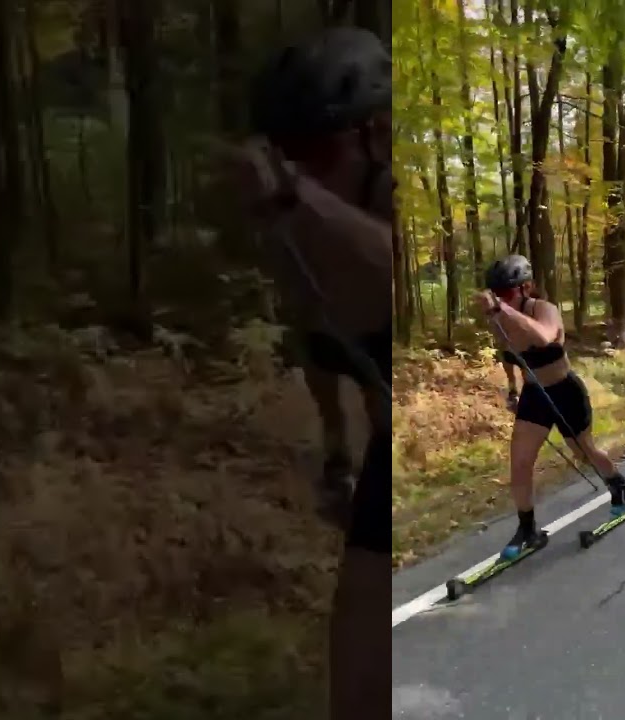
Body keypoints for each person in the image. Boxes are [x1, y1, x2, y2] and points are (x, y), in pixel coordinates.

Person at [234, 26, 392, 720]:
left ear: (375, 135)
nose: (307, 172)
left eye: (321, 154)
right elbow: (319, 328)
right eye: (291, 155)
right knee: (355, 660)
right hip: (364, 382)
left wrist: (301, 194)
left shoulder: (384, 188)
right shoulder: (301, 211)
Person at [474, 255, 625, 560]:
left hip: (565, 390)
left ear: (526, 287)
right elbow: (508, 355)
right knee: (520, 462)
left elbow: (543, 336)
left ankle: (617, 483)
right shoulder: (500, 318)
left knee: (584, 452)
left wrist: (502, 309)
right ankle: (527, 528)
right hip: (534, 395)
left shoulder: (544, 310)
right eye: (496, 293)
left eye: (506, 292)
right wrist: (512, 389)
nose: (501, 299)